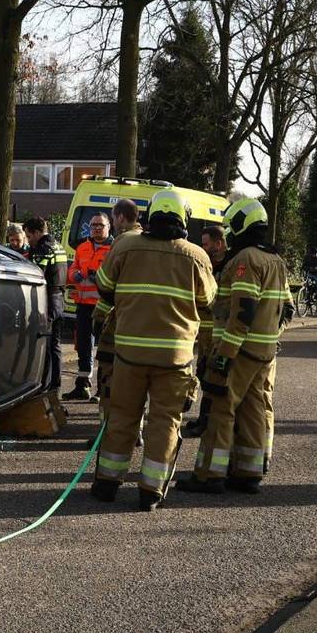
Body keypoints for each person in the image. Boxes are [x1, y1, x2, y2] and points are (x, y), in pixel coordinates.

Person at [91, 190, 215, 512]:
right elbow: (209, 301)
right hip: (174, 359)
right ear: (183, 219)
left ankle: (107, 483)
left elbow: (104, 285)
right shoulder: (196, 256)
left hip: (129, 353)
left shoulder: (127, 246)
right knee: (165, 422)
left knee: (122, 416)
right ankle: (150, 491)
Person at [177, 197, 291, 496]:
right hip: (264, 352)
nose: (228, 235)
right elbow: (284, 309)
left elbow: (242, 313)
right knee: (253, 408)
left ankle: (209, 474)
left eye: (231, 228)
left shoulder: (246, 260)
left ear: (241, 226)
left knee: (220, 405)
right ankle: (247, 473)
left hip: (239, 350)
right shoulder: (275, 259)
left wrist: (224, 356)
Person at [92, 199, 142, 419]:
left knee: (109, 377)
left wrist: (98, 317)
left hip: (117, 322)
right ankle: (136, 427)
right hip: (142, 322)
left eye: (113, 218)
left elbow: (105, 285)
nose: (112, 222)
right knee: (138, 382)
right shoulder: (148, 241)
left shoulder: (122, 242)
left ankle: (107, 428)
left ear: (121, 217)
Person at [183, 224, 226, 437]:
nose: (203, 247)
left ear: (218, 244)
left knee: (210, 378)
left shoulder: (226, 266)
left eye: (206, 244)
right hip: (205, 333)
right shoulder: (208, 264)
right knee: (203, 374)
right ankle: (202, 418)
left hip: (217, 334)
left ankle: (206, 422)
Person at [63, 212, 112, 401]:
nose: (97, 228)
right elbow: (73, 268)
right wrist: (74, 274)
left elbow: (113, 273)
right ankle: (82, 386)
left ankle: (102, 389)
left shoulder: (114, 248)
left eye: (101, 225)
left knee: (105, 350)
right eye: (93, 225)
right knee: (83, 347)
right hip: (83, 304)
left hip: (104, 306)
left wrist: (97, 276)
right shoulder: (82, 247)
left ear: (109, 227)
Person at [24, 217, 67, 392]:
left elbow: (36, 274)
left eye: (29, 236)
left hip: (47, 300)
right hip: (59, 299)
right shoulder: (58, 246)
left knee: (46, 345)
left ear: (36, 232)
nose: (29, 240)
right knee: (55, 345)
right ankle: (55, 383)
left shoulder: (43, 248)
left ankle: (44, 384)